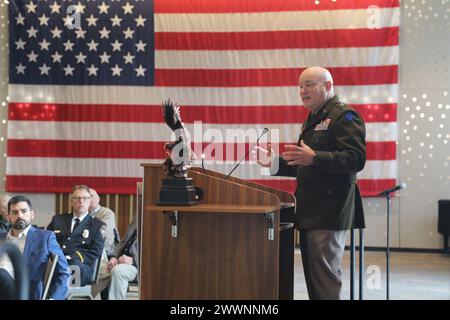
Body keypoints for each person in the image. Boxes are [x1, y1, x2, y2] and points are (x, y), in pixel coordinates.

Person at [256, 66, 366, 300]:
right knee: (315, 280)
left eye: (309, 84)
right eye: (300, 86)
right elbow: (306, 164)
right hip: (311, 210)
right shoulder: (315, 118)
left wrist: (315, 157)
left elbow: (356, 159)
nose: (302, 90)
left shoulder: (344, 116)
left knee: (325, 280)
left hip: (329, 212)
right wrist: (274, 163)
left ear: (327, 86)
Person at [0, 195, 71, 300]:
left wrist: (54, 298)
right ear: (8, 216)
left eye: (24, 211)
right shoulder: (1, 237)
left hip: (23, 291)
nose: (20, 215)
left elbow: (64, 272)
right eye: (14, 212)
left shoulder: (44, 237)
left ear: (32, 214)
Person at [47, 185, 105, 286]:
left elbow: (96, 251)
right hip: (56, 261)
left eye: (85, 198)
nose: (81, 201)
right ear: (71, 201)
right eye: (77, 198)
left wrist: (70, 257)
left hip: (81, 266)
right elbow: (47, 241)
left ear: (90, 201)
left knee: (73, 266)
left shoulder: (96, 225)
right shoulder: (58, 220)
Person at [106, 218, 138, 300]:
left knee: (118, 271)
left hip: (140, 266)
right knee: (102, 269)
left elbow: (157, 254)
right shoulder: (139, 216)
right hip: (121, 259)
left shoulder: (159, 222)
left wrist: (133, 261)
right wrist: (114, 257)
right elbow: (123, 241)